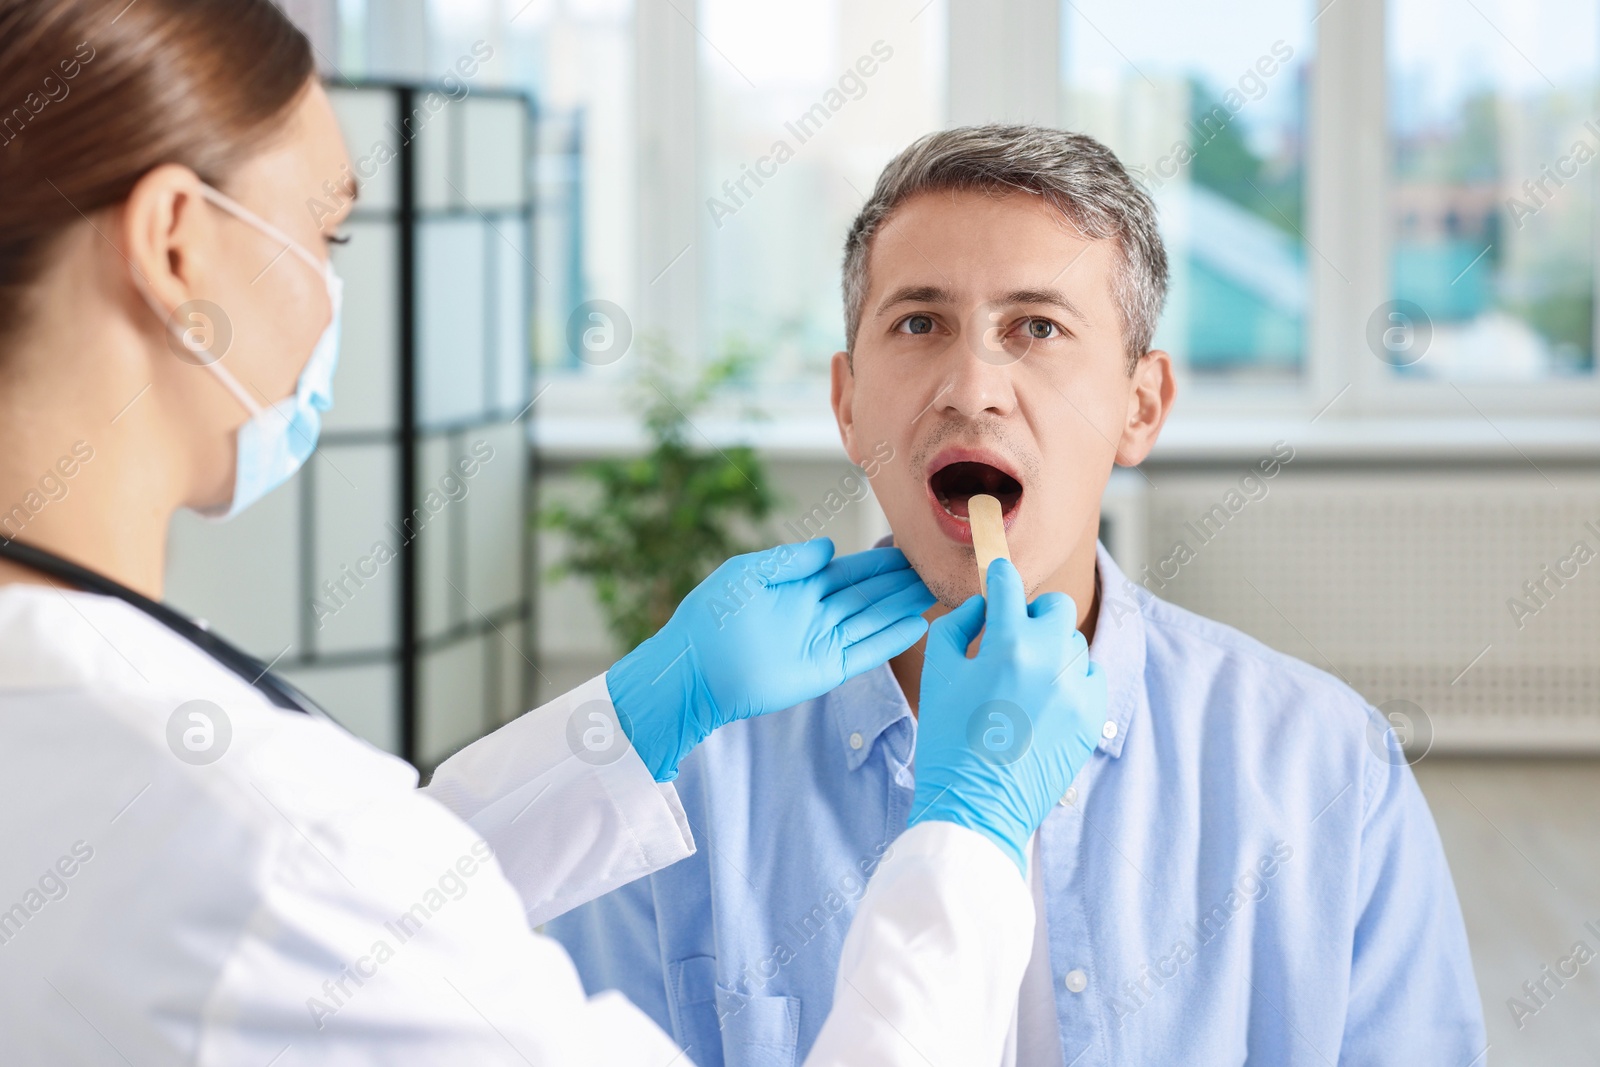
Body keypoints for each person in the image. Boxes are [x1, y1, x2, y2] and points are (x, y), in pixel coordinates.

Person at [0, 3, 1111, 1063]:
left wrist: (626, 724)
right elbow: (328, 898)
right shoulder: (260, 835)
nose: (975, 386)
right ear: (179, 248)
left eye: (1037, 328)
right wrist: (969, 838)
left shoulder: (154, 763)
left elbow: (373, 911)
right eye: (324, 232)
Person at [548, 125, 1490, 1065]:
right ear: (847, 403)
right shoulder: (675, 788)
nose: (972, 388)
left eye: (1036, 327)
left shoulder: (1327, 774)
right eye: (919, 323)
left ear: (1142, 405)